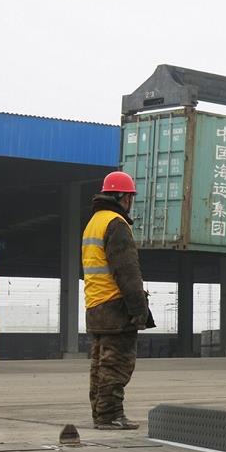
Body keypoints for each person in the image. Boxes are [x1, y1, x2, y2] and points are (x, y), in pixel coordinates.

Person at [82, 171, 154, 430]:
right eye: (131, 197)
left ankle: (100, 414)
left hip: (95, 306)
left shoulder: (93, 222)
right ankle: (110, 415)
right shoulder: (116, 224)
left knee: (100, 364)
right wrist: (139, 309)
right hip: (115, 307)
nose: (130, 202)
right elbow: (127, 270)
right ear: (123, 197)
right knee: (117, 365)